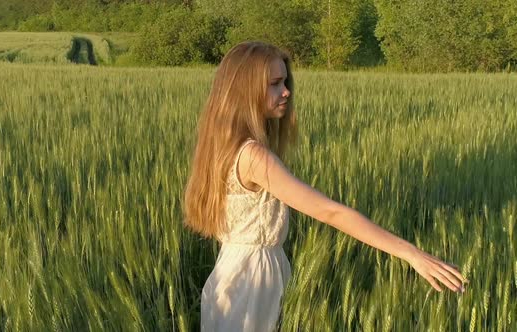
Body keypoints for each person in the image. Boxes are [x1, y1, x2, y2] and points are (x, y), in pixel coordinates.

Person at [182, 41, 467, 332]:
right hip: (253, 285)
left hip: (232, 274)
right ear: (245, 89)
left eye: (285, 81)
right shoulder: (254, 156)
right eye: (275, 84)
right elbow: (331, 213)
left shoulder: (224, 145)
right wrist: (411, 254)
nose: (286, 92)